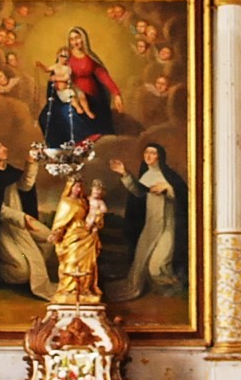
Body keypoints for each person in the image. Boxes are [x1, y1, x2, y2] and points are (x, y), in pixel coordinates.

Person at [0, 140, 53, 298]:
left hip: (20, 223)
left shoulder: (8, 172)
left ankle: (32, 267)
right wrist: (22, 218)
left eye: (2, 145)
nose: (5, 149)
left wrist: (31, 164)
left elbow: (25, 186)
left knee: (47, 238)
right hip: (1, 227)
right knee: (21, 271)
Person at [111, 143, 189, 300]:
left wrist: (167, 188)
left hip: (169, 226)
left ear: (159, 156)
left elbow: (184, 196)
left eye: (152, 153)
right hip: (151, 225)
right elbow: (138, 193)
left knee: (157, 266)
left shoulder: (169, 176)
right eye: (146, 152)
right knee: (141, 263)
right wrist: (125, 173)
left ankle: (177, 287)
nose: (148, 156)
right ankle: (163, 291)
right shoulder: (146, 176)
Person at [38, 26, 122, 146]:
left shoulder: (90, 58)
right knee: (46, 116)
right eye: (71, 39)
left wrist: (116, 93)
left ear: (83, 39)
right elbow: (56, 71)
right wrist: (57, 83)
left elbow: (103, 76)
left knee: (68, 112)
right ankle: (63, 147)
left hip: (90, 97)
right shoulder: (66, 56)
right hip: (69, 93)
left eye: (77, 38)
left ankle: (84, 142)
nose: (75, 42)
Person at [48, 177, 104, 303]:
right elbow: (60, 221)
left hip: (85, 234)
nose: (78, 189)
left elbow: (93, 215)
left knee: (88, 263)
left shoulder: (83, 201)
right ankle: (69, 289)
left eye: (80, 187)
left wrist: (97, 219)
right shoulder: (66, 202)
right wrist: (56, 233)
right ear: (70, 187)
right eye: (75, 186)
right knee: (72, 260)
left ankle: (84, 289)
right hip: (71, 236)